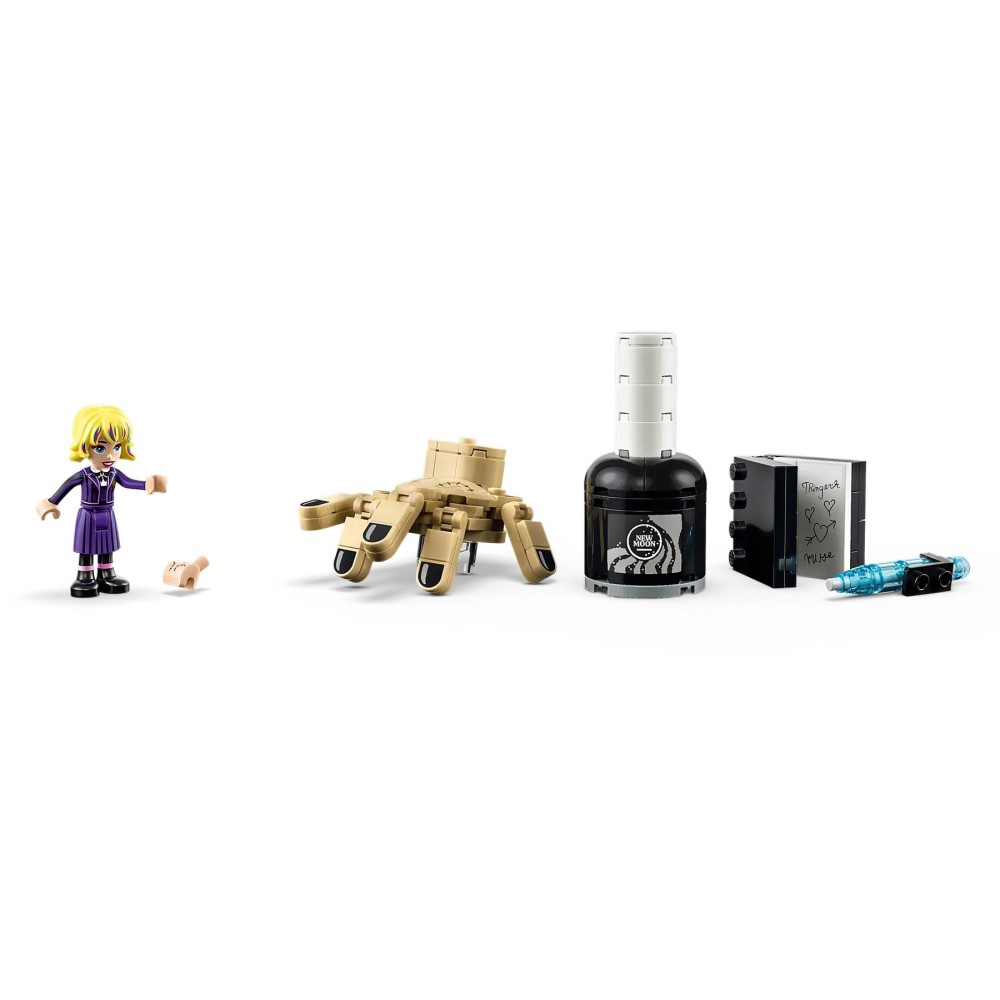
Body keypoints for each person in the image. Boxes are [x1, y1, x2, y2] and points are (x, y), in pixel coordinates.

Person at [37, 405, 167, 597]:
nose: (110, 455)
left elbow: (129, 482)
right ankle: (85, 576)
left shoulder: (114, 473)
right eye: (100, 448)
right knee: (87, 546)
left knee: (107, 545)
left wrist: (149, 485)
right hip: (88, 515)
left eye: (116, 447)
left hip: (107, 513)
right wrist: (50, 504)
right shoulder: (83, 475)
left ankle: (106, 574)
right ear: (84, 447)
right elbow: (65, 488)